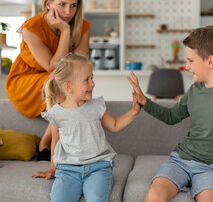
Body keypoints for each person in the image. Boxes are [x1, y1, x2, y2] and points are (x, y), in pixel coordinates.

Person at [128, 26, 213, 202]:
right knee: (155, 195)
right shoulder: (194, 90)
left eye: (191, 61)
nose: (187, 66)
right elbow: (172, 117)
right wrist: (145, 102)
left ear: (210, 61)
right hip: (180, 160)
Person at [31, 53, 140, 202]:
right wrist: (52, 169)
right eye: (86, 80)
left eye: (92, 78)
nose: (92, 83)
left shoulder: (96, 106)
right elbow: (55, 143)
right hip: (67, 171)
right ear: (68, 87)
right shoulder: (56, 113)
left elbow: (114, 125)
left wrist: (134, 110)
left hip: (98, 169)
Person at [5, 0, 90, 160]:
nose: (68, 11)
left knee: (77, 82)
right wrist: (65, 31)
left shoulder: (83, 26)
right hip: (25, 80)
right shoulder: (31, 27)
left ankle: (44, 141)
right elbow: (52, 65)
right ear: (48, 3)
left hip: (56, 77)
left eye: (73, 5)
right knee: (62, 83)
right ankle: (55, 151)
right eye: (62, 4)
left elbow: (82, 66)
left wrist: (53, 77)